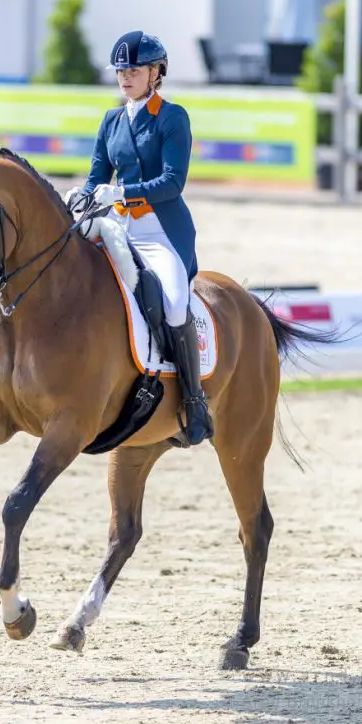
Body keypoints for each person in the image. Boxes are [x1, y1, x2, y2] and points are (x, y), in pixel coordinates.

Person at [66, 30, 213, 446]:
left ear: (155, 73)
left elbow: (172, 182)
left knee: (173, 301)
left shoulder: (171, 117)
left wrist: (123, 192)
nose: (125, 77)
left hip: (161, 231)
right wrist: (84, 194)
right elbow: (98, 175)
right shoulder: (111, 120)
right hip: (118, 227)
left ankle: (195, 399)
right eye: (121, 71)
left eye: (134, 70)